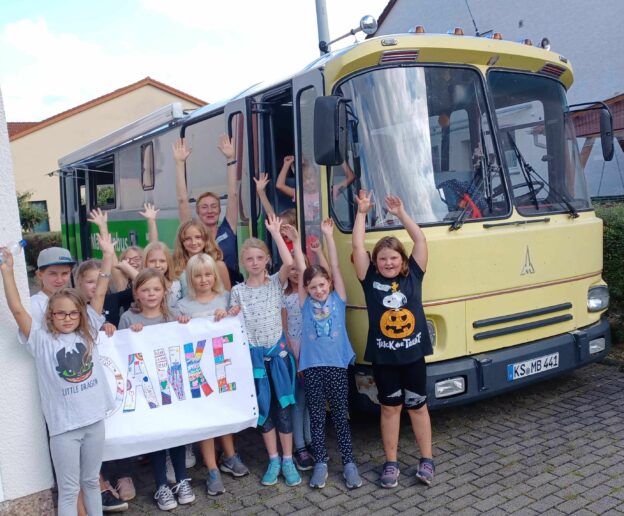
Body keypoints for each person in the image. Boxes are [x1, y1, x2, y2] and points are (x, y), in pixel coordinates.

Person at [1, 234, 116, 516]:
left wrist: (108, 256)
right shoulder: (41, 339)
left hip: (94, 421)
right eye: (60, 314)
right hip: (64, 427)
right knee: (68, 489)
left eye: (74, 313)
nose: (67, 318)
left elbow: (99, 293)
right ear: (50, 317)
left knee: (91, 480)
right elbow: (17, 310)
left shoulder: (87, 328)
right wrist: (6, 271)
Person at [352, 191, 435, 488]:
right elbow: (358, 245)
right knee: (390, 409)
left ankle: (427, 459)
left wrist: (401, 214)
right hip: (384, 359)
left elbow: (421, 240)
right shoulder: (370, 279)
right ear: (376, 263)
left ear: (402, 260)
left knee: (418, 406)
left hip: (413, 356)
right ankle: (391, 462)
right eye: (383, 258)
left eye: (393, 257)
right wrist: (362, 212)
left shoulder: (414, 275)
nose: (388, 262)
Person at [286, 219, 361, 490]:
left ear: (329, 283)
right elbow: (302, 267)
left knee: (340, 415)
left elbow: (338, 267)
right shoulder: (304, 304)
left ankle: (349, 463)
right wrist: (296, 243)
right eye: (313, 286)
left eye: (322, 284)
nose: (318, 290)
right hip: (312, 367)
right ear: (305, 289)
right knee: (317, 417)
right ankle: (320, 463)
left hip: (337, 366)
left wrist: (329, 237)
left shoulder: (337, 298)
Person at [229, 214, 301, 487]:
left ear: (268, 260)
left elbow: (291, 262)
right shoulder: (237, 291)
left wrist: (276, 234)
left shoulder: (275, 283)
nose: (255, 263)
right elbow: (231, 319)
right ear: (243, 263)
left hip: (278, 356)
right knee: (265, 411)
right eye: (249, 259)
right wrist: (230, 312)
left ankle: (287, 459)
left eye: (260, 258)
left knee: (283, 409)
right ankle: (272, 458)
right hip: (254, 360)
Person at [118, 269, 195, 511]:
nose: (151, 294)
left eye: (156, 289)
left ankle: (182, 480)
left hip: (171, 388)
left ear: (165, 291)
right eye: (145, 290)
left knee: (177, 435)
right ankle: (162, 485)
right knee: (157, 438)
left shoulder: (173, 316)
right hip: (145, 391)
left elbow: (186, 343)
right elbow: (119, 349)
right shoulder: (128, 319)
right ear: (136, 293)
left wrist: (184, 325)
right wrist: (128, 335)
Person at [176, 253, 249, 495]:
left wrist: (229, 314)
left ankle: (230, 456)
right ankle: (212, 469)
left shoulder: (225, 298)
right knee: (205, 420)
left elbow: (236, 325)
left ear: (214, 276)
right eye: (198, 275)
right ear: (190, 278)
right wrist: (182, 322)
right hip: (197, 370)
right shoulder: (183, 305)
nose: (203, 279)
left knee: (223, 415)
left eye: (208, 274)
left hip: (222, 369)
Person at [280, 238, 329, 472]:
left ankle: (310, 439)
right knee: (298, 402)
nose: (295, 273)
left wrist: (317, 252)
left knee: (311, 400)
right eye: (290, 270)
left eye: (298, 270)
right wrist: (293, 355)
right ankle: (299, 446)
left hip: (313, 352)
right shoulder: (285, 296)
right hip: (296, 352)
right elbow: (285, 327)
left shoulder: (311, 297)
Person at [173, 135, 241, 282]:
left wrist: (230, 159)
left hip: (230, 289)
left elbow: (233, 194)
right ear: (197, 212)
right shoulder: (192, 232)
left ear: (219, 210)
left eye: (214, 206)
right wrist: (179, 163)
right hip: (201, 290)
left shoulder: (228, 228)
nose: (210, 210)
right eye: (204, 207)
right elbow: (182, 200)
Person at [172, 220, 231, 297]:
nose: (193, 242)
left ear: (206, 239)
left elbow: (228, 296)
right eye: (187, 238)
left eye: (198, 237)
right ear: (181, 242)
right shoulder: (177, 267)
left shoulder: (218, 265)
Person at [29, 246, 77, 324]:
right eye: (53, 274)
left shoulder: (75, 299)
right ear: (39, 275)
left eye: (65, 273)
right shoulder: (34, 305)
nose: (59, 280)